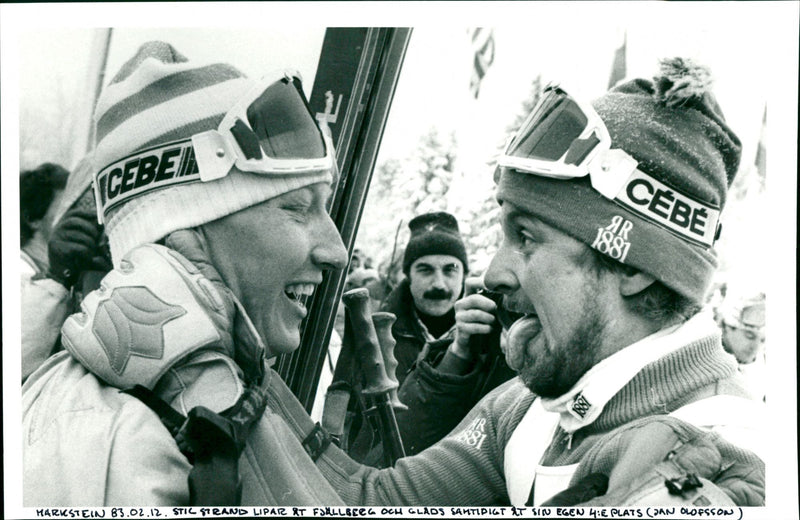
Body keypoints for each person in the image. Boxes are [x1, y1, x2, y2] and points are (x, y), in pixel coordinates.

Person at [233, 58, 766, 507]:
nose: (492, 274)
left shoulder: (721, 458)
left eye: (526, 237)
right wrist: (238, 359)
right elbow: (367, 501)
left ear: (634, 266)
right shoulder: (531, 406)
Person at [22, 41, 351, 506]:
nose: (337, 250)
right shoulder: (102, 434)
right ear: (186, 231)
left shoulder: (222, 388)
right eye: (297, 208)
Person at [20, 163, 69, 381]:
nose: (73, 217)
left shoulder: (51, 268)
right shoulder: (17, 273)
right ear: (33, 219)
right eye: (65, 208)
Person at [720, 292, 767, 401]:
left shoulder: (765, 369)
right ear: (727, 327)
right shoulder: (701, 359)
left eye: (763, 340)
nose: (756, 347)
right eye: (749, 336)